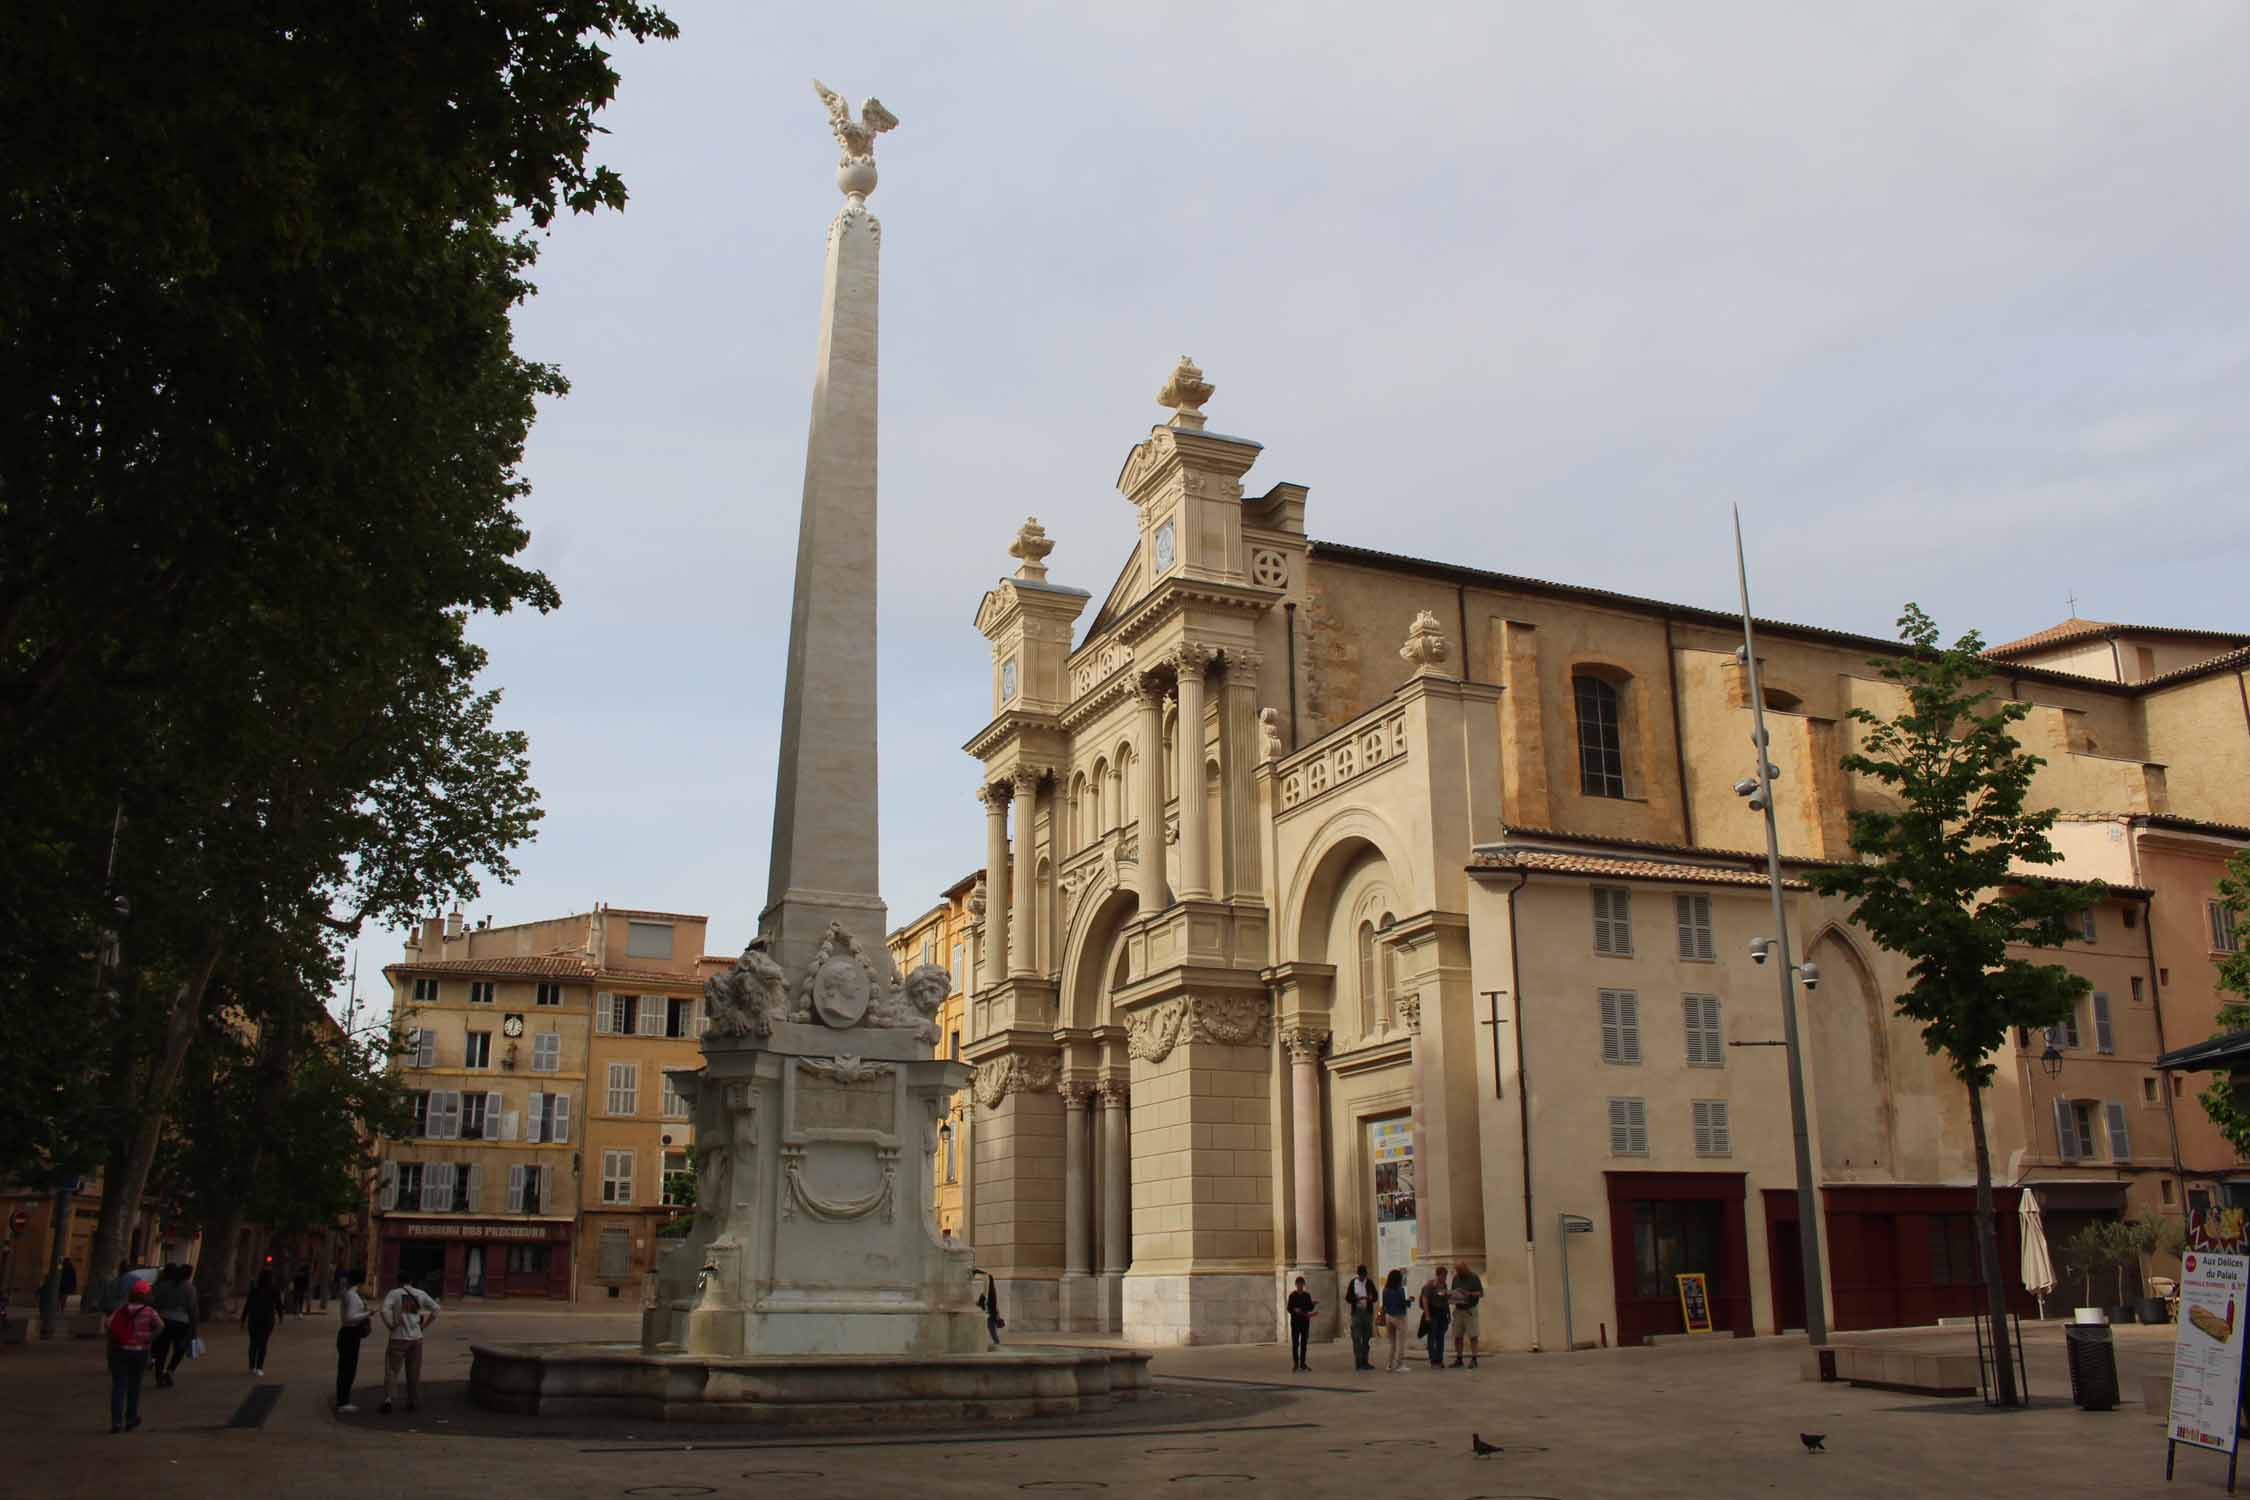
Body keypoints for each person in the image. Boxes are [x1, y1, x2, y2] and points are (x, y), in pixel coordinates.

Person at [105, 1279, 162, 1433]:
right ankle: (131, 1418)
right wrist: (148, 1338)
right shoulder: (149, 1311)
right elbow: (160, 1326)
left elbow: (108, 1324)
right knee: (134, 1387)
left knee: (118, 1386)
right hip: (139, 1351)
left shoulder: (121, 1309)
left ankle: (116, 1422)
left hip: (120, 1351)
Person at [379, 1274, 439, 1414]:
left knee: (392, 1370)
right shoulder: (421, 1293)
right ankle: (412, 1400)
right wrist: (424, 1326)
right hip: (416, 1338)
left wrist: (390, 1325)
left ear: (398, 1281)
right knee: (413, 1371)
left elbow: (383, 1310)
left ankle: (388, 1399)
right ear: (411, 1281)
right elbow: (436, 1309)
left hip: (398, 1337)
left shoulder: (394, 1293)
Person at [150, 1265, 199, 1387]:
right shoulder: (190, 1288)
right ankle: (170, 1370)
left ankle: (159, 1374)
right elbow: (192, 1309)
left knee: (162, 1349)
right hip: (181, 1322)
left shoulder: (163, 1286)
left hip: (163, 1319)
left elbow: (155, 1303)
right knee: (180, 1348)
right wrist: (194, 1328)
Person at [334, 1268, 373, 1414]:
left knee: (346, 1368)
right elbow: (350, 1317)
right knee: (348, 1368)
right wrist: (367, 1314)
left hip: (348, 1333)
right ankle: (343, 1401)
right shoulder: (353, 1296)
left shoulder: (348, 1294)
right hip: (350, 1332)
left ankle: (343, 1399)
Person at [241, 1269, 285, 1377]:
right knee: (263, 1344)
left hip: (254, 1319)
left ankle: (252, 1366)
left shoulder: (254, 1289)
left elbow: (248, 1305)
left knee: (253, 1343)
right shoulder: (274, 1290)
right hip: (267, 1319)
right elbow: (278, 1304)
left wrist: (243, 1319)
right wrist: (280, 1316)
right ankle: (259, 1367)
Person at [1448, 1260, 1484, 1369]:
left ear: (1465, 1268)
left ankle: (1474, 1359)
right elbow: (1453, 1291)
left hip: (1470, 1310)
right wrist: (1451, 1296)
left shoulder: (1474, 1277)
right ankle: (1459, 1359)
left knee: (1473, 1335)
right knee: (1457, 1335)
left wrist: (1469, 1293)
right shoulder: (1456, 1278)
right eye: (1457, 1270)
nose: (1458, 1272)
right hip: (1458, 1309)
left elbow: (1481, 1293)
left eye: (1460, 1270)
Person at [1417, 1264, 1451, 1369]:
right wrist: (1427, 1316)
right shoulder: (1430, 1286)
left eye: (1446, 1276)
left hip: (1442, 1313)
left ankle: (1439, 1359)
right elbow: (1425, 1300)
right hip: (1433, 1313)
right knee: (1432, 1337)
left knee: (1440, 1337)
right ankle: (1433, 1360)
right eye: (1444, 1276)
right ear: (1439, 1275)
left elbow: (1445, 1301)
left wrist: (1448, 1313)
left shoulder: (1444, 1285)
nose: (1445, 1278)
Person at [1343, 1264, 1377, 1371]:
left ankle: (1365, 1361)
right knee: (1356, 1338)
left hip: (1367, 1312)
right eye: (1361, 1276)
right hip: (1357, 1312)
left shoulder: (1369, 1282)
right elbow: (1348, 1298)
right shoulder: (1353, 1283)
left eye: (1364, 1275)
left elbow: (1375, 1296)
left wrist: (1371, 1298)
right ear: (1358, 1275)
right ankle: (1358, 1362)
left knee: (1366, 1338)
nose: (1363, 1278)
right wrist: (1356, 1299)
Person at [1380, 1268, 1411, 1372]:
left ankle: (1389, 1364)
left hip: (1389, 1317)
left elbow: (1384, 1304)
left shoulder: (1385, 1290)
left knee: (1392, 1343)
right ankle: (1400, 1364)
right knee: (1401, 1342)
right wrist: (1409, 1301)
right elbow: (1403, 1303)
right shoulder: (1400, 1289)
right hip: (1399, 1316)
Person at [1285, 1276, 1318, 1371]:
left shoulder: (1307, 1295)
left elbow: (1309, 1308)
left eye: (1301, 1284)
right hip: (1295, 1322)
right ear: (1296, 1285)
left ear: (1303, 1285)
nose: (1300, 1286)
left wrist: (1313, 1304)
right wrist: (1294, 1310)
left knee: (1304, 1343)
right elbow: (1289, 1308)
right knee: (1295, 1343)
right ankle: (1296, 1363)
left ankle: (1303, 1363)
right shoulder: (1292, 1295)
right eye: (1298, 1284)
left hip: (1304, 1322)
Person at [974, 1268, 1004, 1349]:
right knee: (991, 1328)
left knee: (991, 1328)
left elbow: (985, 1303)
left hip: (990, 1314)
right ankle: (995, 1342)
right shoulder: (989, 1294)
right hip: (990, 1313)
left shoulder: (989, 1294)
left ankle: (996, 1342)